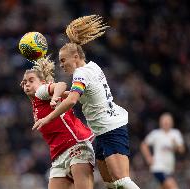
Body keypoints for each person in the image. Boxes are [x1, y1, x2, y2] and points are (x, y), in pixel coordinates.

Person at [33, 15, 140, 189]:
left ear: (75, 56)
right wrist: (55, 95)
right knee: (111, 184)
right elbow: (80, 93)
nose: (61, 65)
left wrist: (48, 118)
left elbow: (72, 100)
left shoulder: (80, 74)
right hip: (103, 131)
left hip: (111, 129)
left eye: (63, 60)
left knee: (122, 182)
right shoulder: (93, 67)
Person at [21, 56, 95, 189]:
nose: (26, 84)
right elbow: (67, 93)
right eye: (24, 82)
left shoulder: (41, 92)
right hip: (59, 156)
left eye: (31, 80)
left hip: (75, 147)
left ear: (43, 82)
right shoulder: (37, 104)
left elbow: (61, 85)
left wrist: (55, 96)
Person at [140, 112, 185, 189]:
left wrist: (176, 145)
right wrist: (148, 157)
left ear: (171, 122)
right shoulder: (156, 134)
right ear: (160, 122)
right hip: (158, 167)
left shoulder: (175, 133)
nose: (166, 123)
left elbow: (181, 150)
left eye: (168, 121)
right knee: (173, 187)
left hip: (169, 168)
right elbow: (144, 145)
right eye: (164, 121)